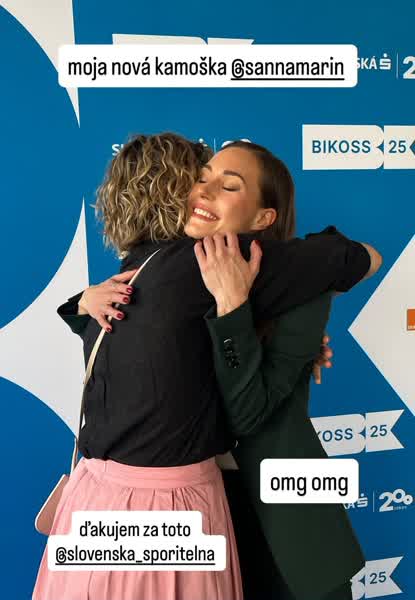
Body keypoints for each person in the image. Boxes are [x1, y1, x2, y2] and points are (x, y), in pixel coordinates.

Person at [34, 133, 381, 600]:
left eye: (229, 185)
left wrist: (235, 310)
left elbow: (248, 415)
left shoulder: (293, 291)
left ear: (262, 220)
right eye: (201, 178)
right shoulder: (163, 270)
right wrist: (81, 301)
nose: (205, 190)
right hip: (194, 513)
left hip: (282, 528)